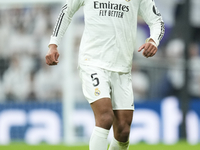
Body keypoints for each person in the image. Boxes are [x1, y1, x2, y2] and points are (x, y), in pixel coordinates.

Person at [45, 0, 165, 149]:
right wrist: (53, 44)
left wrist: (153, 40)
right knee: (105, 116)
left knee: (123, 130)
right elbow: (66, 11)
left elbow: (157, 21)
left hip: (122, 68)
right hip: (93, 62)